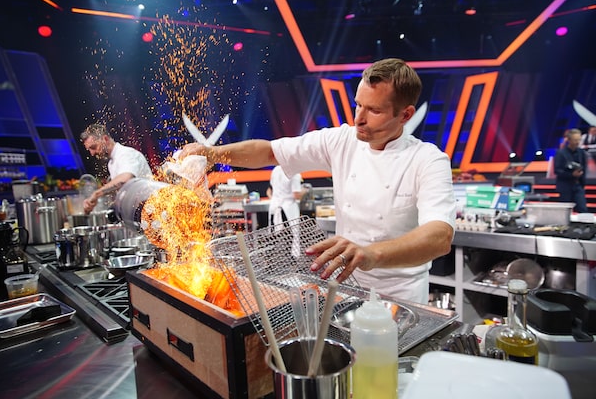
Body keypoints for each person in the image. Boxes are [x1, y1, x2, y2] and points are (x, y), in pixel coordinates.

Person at [178, 58, 456, 304]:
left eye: (374, 110)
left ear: (405, 115)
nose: (359, 119)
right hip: (347, 286)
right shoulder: (341, 140)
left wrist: (371, 254)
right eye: (358, 105)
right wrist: (213, 153)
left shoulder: (428, 160)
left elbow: (439, 236)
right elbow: (270, 151)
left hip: (400, 295)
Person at [80, 123, 154, 214]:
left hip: (151, 209)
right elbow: (122, 189)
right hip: (138, 211)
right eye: (89, 150)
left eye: (93, 147)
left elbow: (125, 179)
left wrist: (96, 194)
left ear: (105, 139)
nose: (92, 153)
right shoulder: (111, 163)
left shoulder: (126, 153)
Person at [554, 128, 588, 213]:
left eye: (579, 140)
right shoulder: (561, 153)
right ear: (569, 140)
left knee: (583, 209)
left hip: (578, 185)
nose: (577, 142)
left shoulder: (582, 152)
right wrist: (571, 175)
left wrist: (582, 182)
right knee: (565, 212)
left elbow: (584, 167)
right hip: (565, 186)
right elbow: (557, 170)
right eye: (575, 140)